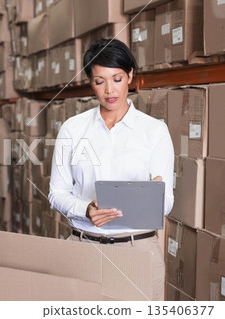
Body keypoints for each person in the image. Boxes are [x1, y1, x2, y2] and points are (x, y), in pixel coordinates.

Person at [48, 38, 174, 301]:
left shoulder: (154, 131)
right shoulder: (72, 128)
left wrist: (148, 198)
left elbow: (166, 203)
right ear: (90, 82)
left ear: (130, 75)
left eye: (116, 78)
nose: (109, 90)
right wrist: (86, 209)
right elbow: (56, 192)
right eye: (99, 81)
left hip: (136, 251)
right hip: (82, 248)